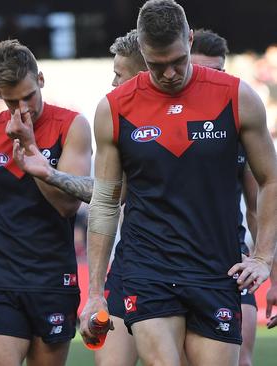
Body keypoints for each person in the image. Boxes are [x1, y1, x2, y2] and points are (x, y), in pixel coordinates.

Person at [80, 1, 277, 366]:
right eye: (157, 65)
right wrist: (94, 293)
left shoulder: (237, 97)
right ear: (142, 51)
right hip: (148, 266)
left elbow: (270, 179)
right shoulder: (114, 108)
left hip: (216, 268)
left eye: (177, 62)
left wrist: (265, 257)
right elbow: (106, 202)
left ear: (189, 40)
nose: (169, 74)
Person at [0, 39, 92, 366]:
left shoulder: (71, 126)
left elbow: (67, 206)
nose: (23, 109)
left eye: (29, 96)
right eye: (12, 101)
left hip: (53, 277)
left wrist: (32, 152)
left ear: (40, 79)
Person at [12, 29, 147, 366]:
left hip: (192, 265)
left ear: (145, 74)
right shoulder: (119, 120)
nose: (113, 84)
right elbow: (110, 193)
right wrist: (49, 173)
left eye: (119, 74)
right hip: (134, 262)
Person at [191, 28, 259, 366]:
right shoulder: (159, 124)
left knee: (240, 359)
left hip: (231, 260)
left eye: (216, 71)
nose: (207, 79)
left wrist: (269, 269)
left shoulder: (239, 121)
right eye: (199, 70)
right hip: (170, 264)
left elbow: (258, 205)